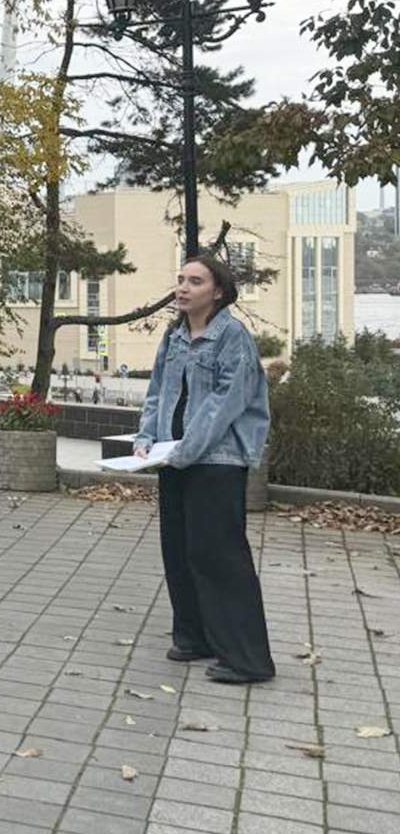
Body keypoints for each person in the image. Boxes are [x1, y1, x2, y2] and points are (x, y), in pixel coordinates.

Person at [133, 253, 276, 685]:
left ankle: (248, 660)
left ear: (218, 291)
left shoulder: (233, 336)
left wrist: (184, 450)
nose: (183, 287)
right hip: (172, 457)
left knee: (219, 557)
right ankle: (195, 637)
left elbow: (225, 403)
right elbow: (158, 391)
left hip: (217, 461)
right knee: (179, 552)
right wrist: (146, 438)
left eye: (195, 281)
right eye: (181, 279)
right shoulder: (175, 334)